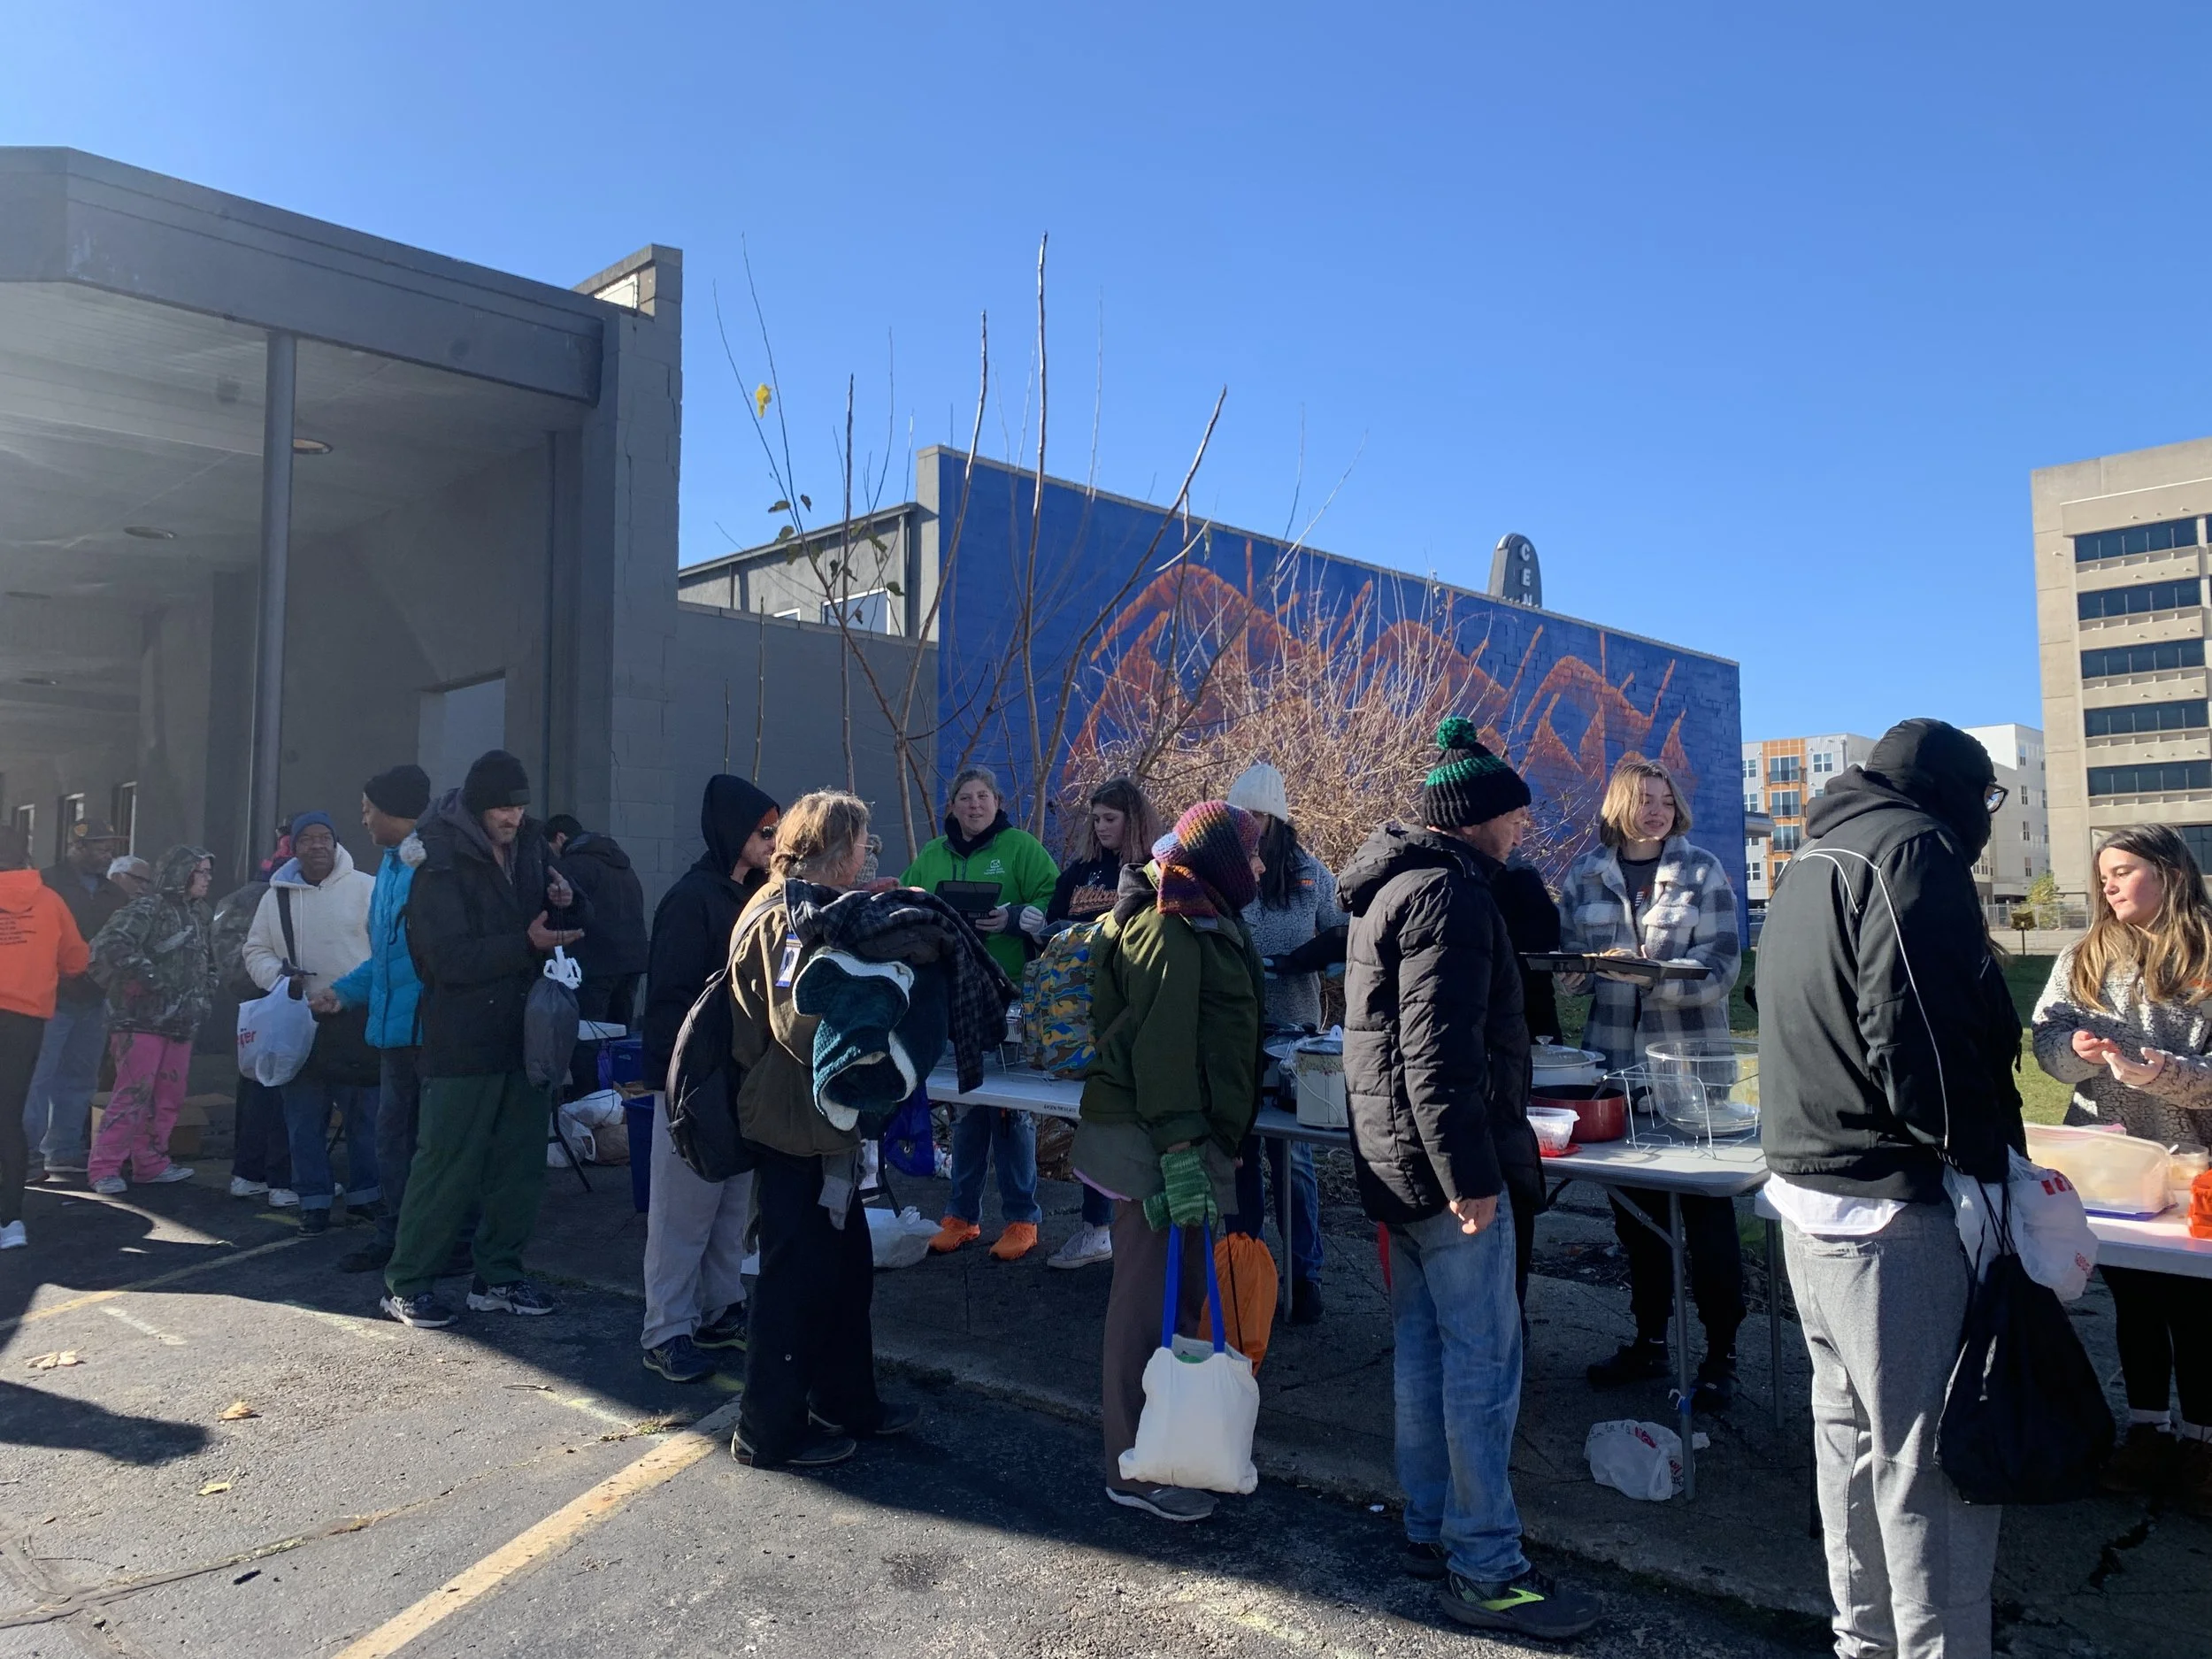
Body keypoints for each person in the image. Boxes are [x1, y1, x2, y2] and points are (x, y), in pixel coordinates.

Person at [1759, 718, 2023, 1659]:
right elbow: (1916, 1028)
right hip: (1894, 1208)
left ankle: (1864, 1643)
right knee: (1931, 1464)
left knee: (1852, 1449)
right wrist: (1977, 1153)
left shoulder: (1814, 854)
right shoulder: (1912, 849)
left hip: (1808, 1196)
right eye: (1986, 799)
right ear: (1954, 791)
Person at [1338, 718, 1596, 1640]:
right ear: (1477, 817)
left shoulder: (1389, 889)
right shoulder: (1449, 897)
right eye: (1515, 817)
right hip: (1445, 1171)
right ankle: (1487, 1565)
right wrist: (1468, 1174)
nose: (1522, 830)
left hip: (1391, 1162)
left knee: (1423, 1351)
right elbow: (1435, 1054)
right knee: (1482, 1366)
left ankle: (1428, 1524)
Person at [1074, 800, 1267, 1524]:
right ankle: (1132, 1465)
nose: (1256, 869)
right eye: (1248, 856)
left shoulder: (1206, 908)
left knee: (1179, 1296)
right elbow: (1160, 1051)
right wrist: (1183, 1149)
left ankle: (1173, 1444)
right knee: (1144, 1304)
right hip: (1151, 1143)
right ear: (1216, 858)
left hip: (1178, 1137)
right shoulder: (1168, 923)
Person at [728, 789, 918, 1467]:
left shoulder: (806, 904)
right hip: (792, 1127)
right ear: (836, 853)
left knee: (845, 1271)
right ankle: (766, 1429)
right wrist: (871, 1022)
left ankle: (845, 1401)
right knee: (792, 1279)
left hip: (818, 1128)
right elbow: (796, 1020)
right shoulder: (784, 916)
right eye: (864, 846)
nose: (869, 856)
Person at [2031, 824, 2212, 1512]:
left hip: (2196, 1165)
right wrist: (2072, 1047)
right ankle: (2148, 1431)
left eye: (2125, 869)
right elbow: (2047, 1036)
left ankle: (2203, 1440)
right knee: (2135, 1300)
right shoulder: (2085, 951)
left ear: (2170, 871)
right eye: (2103, 871)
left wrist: (2164, 1071)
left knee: (2198, 1306)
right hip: (2110, 1165)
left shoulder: (2206, 947)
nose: (2108, 883)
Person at [1555, 755, 1743, 1409]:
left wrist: (1657, 974)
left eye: (1665, 798)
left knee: (1706, 1216)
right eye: (1645, 798)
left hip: (1690, 1068)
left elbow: (1724, 967)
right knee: (1635, 1220)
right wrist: (1577, 970)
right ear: (1620, 804)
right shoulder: (1585, 875)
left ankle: (1723, 1353)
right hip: (1613, 1069)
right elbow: (1572, 967)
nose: (1657, 809)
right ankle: (1649, 1341)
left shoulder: (1702, 871)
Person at [380, 750, 587, 1329]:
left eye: (519, 805)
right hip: (462, 1038)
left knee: (519, 1165)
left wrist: (569, 901)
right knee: (446, 1163)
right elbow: (442, 960)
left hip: (524, 1038)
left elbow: (556, 921)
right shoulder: (438, 860)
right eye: (502, 806)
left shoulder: (532, 850)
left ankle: (497, 1275)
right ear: (478, 804)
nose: (513, 817)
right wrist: (525, 943)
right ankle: (408, 1281)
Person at [637, 774, 779, 1383]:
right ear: (733, 832)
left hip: (742, 1077)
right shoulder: (692, 899)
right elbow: (667, 999)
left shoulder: (755, 894)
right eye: (763, 831)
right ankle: (666, 1328)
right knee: (682, 1211)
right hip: (696, 1081)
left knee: (726, 1207)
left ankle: (721, 1307)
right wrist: (678, 1085)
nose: (774, 841)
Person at [904, 766, 1059, 1261]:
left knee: (1013, 1116)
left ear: (997, 802)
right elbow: (907, 901)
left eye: (983, 796)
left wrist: (1013, 918)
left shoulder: (1020, 848)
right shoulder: (933, 854)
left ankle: (1021, 1218)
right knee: (967, 1110)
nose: (975, 805)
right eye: (965, 797)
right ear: (952, 806)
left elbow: (1053, 902)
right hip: (951, 996)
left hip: (1005, 996)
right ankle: (961, 1217)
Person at [1223, 760, 1344, 1325]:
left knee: (1294, 1162)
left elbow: (1344, 942)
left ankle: (1305, 1276)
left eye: (1256, 814)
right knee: (1241, 1156)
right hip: (1235, 1031)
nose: (1247, 823)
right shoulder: (1223, 869)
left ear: (1276, 819)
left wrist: (1312, 959)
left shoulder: (1310, 873)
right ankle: (1244, 1273)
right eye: (1239, 814)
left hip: (1296, 1032)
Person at [1042, 776, 1164, 1271]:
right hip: (1075, 1011)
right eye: (1095, 819)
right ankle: (1095, 1229)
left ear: (1132, 819)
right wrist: (1042, 927)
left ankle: (1136, 1230)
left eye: (1110, 818)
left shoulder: (1154, 872)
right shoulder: (1081, 872)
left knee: (1125, 1120)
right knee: (1088, 1118)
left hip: (1129, 1011)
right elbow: (1052, 921)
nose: (1101, 827)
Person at [318, 767, 433, 1274]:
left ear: (392, 812)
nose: (362, 819)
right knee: (392, 1143)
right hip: (392, 1036)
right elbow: (388, 959)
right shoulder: (389, 866)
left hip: (430, 1037)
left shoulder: (430, 866)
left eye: (368, 810)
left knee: (427, 1148)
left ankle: (434, 1243)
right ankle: (396, 1237)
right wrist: (343, 993)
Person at [244, 810, 379, 1235]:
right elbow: (255, 950)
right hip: (297, 1020)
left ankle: (367, 1197)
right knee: (303, 1118)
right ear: (294, 846)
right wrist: (278, 978)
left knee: (365, 1117)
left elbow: (386, 952)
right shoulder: (276, 895)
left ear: (336, 843)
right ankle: (314, 1201)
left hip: (353, 1018)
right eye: (307, 839)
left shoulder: (366, 889)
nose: (317, 845)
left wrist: (346, 993)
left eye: (325, 837)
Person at [85, 846, 218, 1194]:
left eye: (207, 872)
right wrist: (153, 980)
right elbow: (109, 944)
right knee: (132, 1093)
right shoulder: (147, 908)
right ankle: (104, 1168)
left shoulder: (199, 914)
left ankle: (151, 1162)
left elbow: (209, 960)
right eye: (201, 872)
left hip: (180, 1023)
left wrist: (204, 994)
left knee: (169, 1096)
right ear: (182, 874)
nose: (207, 879)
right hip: (138, 1021)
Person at [20, 818, 127, 1185]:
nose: (108, 854)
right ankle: (27, 1154)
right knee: (36, 1078)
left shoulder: (115, 894)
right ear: (76, 847)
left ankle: (63, 1150)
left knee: (80, 1078)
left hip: (94, 1000)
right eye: (100, 847)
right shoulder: (43, 883)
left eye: (110, 847)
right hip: (48, 997)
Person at [0, 826, 91, 1248]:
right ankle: (9, 1222)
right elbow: (75, 960)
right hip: (24, 1020)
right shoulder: (50, 901)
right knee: (8, 1117)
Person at [215, 824, 296, 1205]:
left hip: (252, 1007)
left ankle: (248, 1172)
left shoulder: (243, 896)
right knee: (285, 1089)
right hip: (283, 1003)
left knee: (255, 1087)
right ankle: (284, 1179)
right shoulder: (288, 895)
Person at [545, 814, 649, 1090]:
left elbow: (569, 915)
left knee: (587, 1038)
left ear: (559, 838)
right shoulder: (621, 864)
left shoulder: (572, 866)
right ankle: (622, 1101)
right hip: (632, 961)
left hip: (595, 964)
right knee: (619, 1040)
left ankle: (589, 1101)